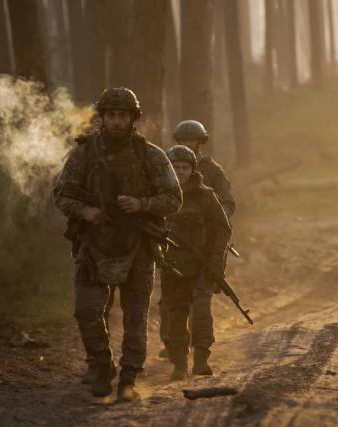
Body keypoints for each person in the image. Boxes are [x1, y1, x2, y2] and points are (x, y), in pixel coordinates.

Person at [54, 87, 182, 401]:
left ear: (132, 118)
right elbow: (62, 194)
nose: (115, 121)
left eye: (122, 115)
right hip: (94, 245)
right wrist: (86, 211)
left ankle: (128, 378)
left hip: (138, 245)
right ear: (101, 118)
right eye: (110, 115)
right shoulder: (84, 154)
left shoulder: (150, 155)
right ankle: (101, 367)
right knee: (86, 311)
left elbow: (174, 198)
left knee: (135, 317)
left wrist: (143, 203)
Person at [159, 120, 236, 358]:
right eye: (183, 140)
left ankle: (200, 348)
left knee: (201, 298)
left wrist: (208, 218)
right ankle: (172, 344)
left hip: (206, 240)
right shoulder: (170, 167)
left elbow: (227, 203)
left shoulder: (212, 171)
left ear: (200, 142)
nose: (188, 144)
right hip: (175, 246)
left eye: (192, 140)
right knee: (171, 301)